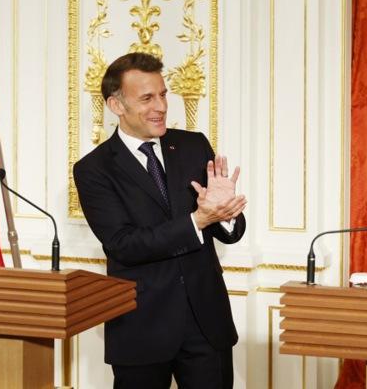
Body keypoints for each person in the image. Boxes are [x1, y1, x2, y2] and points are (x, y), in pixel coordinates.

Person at [73, 52, 247, 389]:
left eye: (163, 95)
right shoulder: (94, 169)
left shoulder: (193, 145)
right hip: (142, 327)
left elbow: (229, 232)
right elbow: (124, 244)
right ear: (116, 105)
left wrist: (226, 212)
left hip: (206, 325)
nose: (161, 106)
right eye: (147, 98)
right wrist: (197, 220)